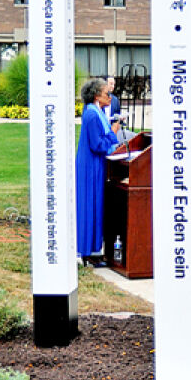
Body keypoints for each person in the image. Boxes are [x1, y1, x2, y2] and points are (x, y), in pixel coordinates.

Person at [76, 77, 122, 263]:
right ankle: (88, 251)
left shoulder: (98, 111)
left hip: (95, 164)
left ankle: (95, 249)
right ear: (96, 96)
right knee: (91, 206)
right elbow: (97, 144)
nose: (110, 97)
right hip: (91, 166)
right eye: (106, 94)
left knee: (96, 205)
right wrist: (114, 132)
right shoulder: (93, 114)